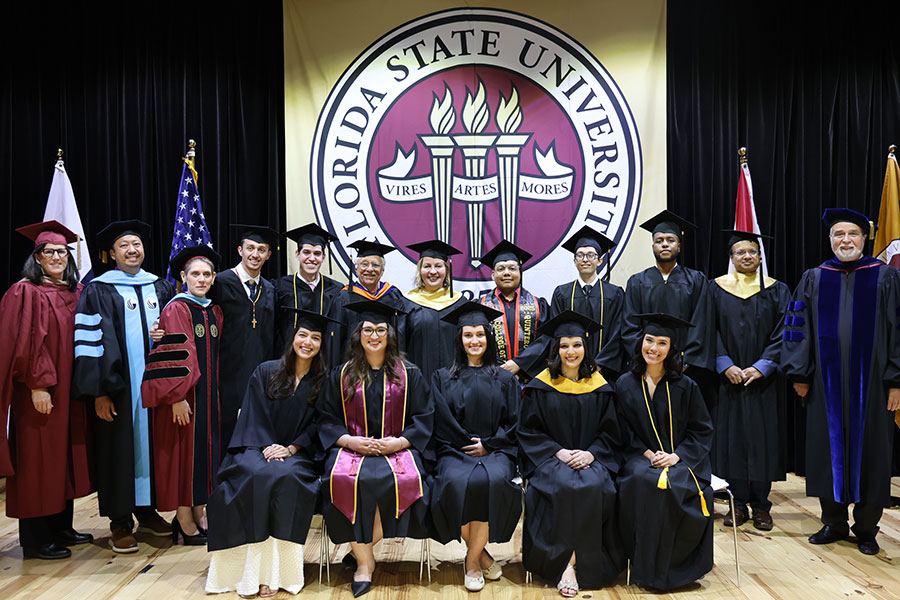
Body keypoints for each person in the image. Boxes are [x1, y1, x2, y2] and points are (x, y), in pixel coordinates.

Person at [782, 208, 900, 556]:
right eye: (838, 234)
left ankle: (866, 528)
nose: (845, 240)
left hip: (874, 386)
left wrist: (896, 381)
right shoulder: (815, 277)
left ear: (865, 238)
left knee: (873, 455)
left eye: (852, 234)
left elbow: (898, 332)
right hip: (825, 386)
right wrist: (800, 374)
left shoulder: (886, 278)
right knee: (825, 451)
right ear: (830, 239)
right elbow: (796, 330)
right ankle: (833, 522)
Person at [206, 309, 336, 598]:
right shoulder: (266, 371)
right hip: (256, 446)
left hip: (299, 455)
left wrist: (292, 447)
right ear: (292, 338)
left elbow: (322, 424)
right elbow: (252, 413)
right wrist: (266, 445)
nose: (308, 342)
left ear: (321, 346)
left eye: (315, 338)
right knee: (256, 474)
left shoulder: (324, 381)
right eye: (303, 335)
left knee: (286, 478)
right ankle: (248, 573)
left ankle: (276, 573)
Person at [72, 219, 175, 553]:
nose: (132, 250)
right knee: (117, 451)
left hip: (154, 390)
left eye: (136, 244)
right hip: (117, 389)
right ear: (112, 253)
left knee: (151, 449)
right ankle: (119, 521)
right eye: (124, 246)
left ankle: (147, 512)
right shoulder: (98, 289)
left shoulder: (160, 286)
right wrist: (99, 392)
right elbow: (91, 344)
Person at [318, 300, 432, 598]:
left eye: (381, 329)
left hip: (397, 448)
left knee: (403, 482)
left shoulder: (409, 374)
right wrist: (349, 441)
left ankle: (359, 554)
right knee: (343, 480)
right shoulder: (342, 375)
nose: (374, 335)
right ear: (358, 335)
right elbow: (326, 418)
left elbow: (424, 416)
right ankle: (365, 563)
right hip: (351, 449)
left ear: (390, 335)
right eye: (368, 329)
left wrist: (400, 441)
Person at [0, 221, 94, 560]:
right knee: (38, 460)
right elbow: (25, 344)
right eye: (49, 252)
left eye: (61, 251)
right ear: (37, 257)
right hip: (40, 393)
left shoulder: (74, 292)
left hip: (70, 391)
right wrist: (38, 384)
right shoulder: (25, 292)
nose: (56, 256)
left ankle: (61, 526)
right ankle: (36, 539)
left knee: (63, 458)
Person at [519, 311, 623, 597]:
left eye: (577, 345)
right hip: (552, 459)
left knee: (593, 486)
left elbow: (612, 433)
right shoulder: (540, 386)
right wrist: (559, 452)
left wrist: (591, 455)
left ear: (585, 348)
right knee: (564, 486)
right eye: (564, 345)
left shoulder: (601, 388)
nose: (571, 351)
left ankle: (573, 563)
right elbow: (528, 431)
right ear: (556, 349)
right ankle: (567, 566)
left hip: (591, 459)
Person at [615, 313, 713, 590]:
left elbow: (702, 430)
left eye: (661, 343)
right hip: (637, 457)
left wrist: (676, 456)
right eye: (649, 340)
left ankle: (674, 568)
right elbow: (621, 432)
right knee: (644, 482)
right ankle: (645, 567)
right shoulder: (625, 384)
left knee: (674, 486)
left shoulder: (685, 386)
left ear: (672, 349)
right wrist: (647, 454)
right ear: (640, 343)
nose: (653, 348)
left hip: (682, 458)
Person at [429, 302, 521, 591]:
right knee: (455, 483)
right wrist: (466, 445)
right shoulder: (442, 377)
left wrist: (489, 445)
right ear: (459, 339)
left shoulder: (506, 379)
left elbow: (515, 422)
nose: (474, 341)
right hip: (455, 451)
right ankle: (481, 557)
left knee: (488, 480)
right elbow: (441, 420)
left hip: (497, 451)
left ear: (488, 339)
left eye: (480, 335)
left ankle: (471, 562)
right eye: (468, 335)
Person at [141, 245, 223, 546]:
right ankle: (184, 519)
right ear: (183, 277)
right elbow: (174, 355)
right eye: (195, 274)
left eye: (206, 274)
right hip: (185, 399)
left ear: (213, 278)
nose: (200, 279)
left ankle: (200, 510)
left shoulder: (213, 310)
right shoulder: (177, 308)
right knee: (184, 457)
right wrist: (176, 397)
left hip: (208, 398)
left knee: (203, 455)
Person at [711, 230, 790, 530]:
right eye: (740, 252)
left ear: (759, 257)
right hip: (727, 380)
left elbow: (786, 331)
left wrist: (763, 365)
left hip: (763, 382)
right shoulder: (716, 288)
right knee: (731, 441)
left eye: (752, 252)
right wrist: (724, 363)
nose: (747, 256)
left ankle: (761, 506)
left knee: (762, 441)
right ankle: (737, 504)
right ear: (731, 258)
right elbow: (708, 329)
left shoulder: (777, 289)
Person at [621, 210, 716, 408]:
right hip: (647, 368)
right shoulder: (637, 282)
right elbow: (630, 326)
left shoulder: (696, 281)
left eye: (670, 240)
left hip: (686, 370)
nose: (665, 244)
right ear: (653, 246)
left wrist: (684, 361)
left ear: (679, 246)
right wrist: (648, 360)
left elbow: (702, 324)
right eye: (659, 240)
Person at [515, 226, 625, 381]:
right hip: (569, 372)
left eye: (591, 255)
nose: (585, 259)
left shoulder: (615, 294)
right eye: (580, 255)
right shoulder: (562, 294)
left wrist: (600, 365)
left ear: (600, 260)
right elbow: (556, 335)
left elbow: (617, 332)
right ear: (574, 261)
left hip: (605, 373)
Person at [209, 225, 280, 455]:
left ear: (268, 255)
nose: (255, 254)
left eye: (261, 249)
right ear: (240, 250)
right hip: (226, 374)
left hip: (259, 375)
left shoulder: (270, 289)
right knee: (226, 433)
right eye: (250, 248)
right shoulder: (219, 283)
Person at [326, 239, 408, 366]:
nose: (370, 269)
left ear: (382, 270)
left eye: (375, 265)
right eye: (364, 264)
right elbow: (335, 340)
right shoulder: (343, 297)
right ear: (356, 268)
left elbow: (400, 337)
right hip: (351, 369)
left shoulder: (393, 296)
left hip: (386, 369)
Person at [476, 240, 549, 381]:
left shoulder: (538, 305)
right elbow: (477, 342)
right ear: (492, 275)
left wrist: (519, 364)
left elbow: (546, 339)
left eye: (512, 268)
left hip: (529, 380)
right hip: (491, 377)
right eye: (501, 269)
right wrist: (501, 369)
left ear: (520, 272)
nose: (507, 273)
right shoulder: (481, 306)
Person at [403, 239, 467, 380]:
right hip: (417, 382)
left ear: (446, 270)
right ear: (420, 270)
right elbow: (400, 347)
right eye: (427, 266)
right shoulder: (406, 303)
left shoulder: (460, 303)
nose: (433, 272)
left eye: (438, 266)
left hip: (454, 381)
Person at [274, 223, 343, 354]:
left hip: (323, 362)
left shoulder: (336, 290)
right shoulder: (279, 287)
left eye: (317, 254)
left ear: (323, 257)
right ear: (297, 254)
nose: (312, 258)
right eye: (306, 252)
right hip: (286, 360)